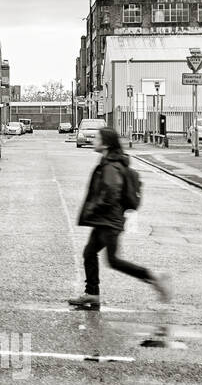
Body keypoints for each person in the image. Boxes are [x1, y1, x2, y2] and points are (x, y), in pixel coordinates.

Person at [72, 125, 170, 310]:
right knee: (89, 253)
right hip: (106, 220)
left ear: (106, 144)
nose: (94, 141)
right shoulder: (109, 162)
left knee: (114, 260)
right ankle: (92, 294)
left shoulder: (110, 166)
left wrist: (94, 207)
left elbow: (111, 192)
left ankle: (155, 277)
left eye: (98, 138)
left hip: (108, 221)